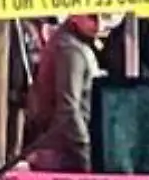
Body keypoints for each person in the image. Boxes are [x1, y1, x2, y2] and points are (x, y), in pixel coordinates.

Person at [18, 14, 105, 171]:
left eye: (103, 17)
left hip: (60, 148)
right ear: (75, 15)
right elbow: (68, 107)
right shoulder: (70, 50)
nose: (99, 25)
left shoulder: (70, 44)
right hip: (66, 152)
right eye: (92, 17)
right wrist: (84, 148)